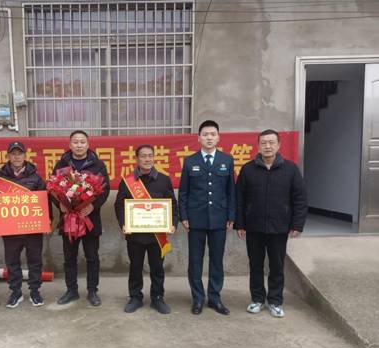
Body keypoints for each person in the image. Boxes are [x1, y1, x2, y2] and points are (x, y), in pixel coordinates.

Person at [235, 129, 307, 318]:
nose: (267, 146)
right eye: (264, 143)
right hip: (254, 227)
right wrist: (240, 223)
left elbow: (300, 198)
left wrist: (297, 224)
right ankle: (257, 299)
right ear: (258, 146)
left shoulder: (290, 169)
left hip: (279, 227)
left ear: (278, 145)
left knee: (277, 265)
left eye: (271, 142)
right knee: (255, 265)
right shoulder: (248, 169)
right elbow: (239, 198)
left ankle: (275, 301)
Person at [178, 120, 236, 316]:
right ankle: (197, 298)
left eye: (212, 134)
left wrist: (231, 215)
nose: (209, 137)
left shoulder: (227, 160)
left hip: (219, 218)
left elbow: (231, 191)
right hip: (195, 219)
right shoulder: (190, 161)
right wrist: (184, 216)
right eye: (205, 134)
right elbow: (183, 192)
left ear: (218, 137)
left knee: (216, 261)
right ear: (199, 138)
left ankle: (214, 298)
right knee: (195, 261)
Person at [114, 145, 178, 314]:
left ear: (154, 158)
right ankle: (135, 297)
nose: (147, 159)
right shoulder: (127, 181)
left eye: (150, 156)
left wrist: (172, 223)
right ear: (136, 159)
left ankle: (157, 298)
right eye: (143, 156)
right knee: (135, 267)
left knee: (157, 268)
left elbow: (173, 204)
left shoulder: (164, 180)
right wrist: (123, 223)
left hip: (157, 235)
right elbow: (119, 205)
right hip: (135, 235)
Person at [52, 130, 110, 306]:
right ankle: (71, 290)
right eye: (75, 142)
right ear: (70, 145)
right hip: (68, 219)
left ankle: (92, 291)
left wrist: (93, 205)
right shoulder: (61, 164)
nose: (79, 145)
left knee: (92, 257)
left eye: (82, 142)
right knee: (69, 257)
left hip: (89, 219)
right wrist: (60, 204)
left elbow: (105, 189)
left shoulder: (98, 164)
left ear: (88, 144)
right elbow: (52, 187)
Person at [0, 141, 50, 309]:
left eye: (20, 154)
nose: (16, 157)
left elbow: (45, 201)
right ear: (8, 156)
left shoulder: (36, 178)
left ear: (25, 156)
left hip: (32, 229)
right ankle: (15, 292)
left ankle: (35, 291)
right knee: (12, 262)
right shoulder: (1, 178)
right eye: (13, 154)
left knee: (35, 261)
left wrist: (48, 220)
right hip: (11, 230)